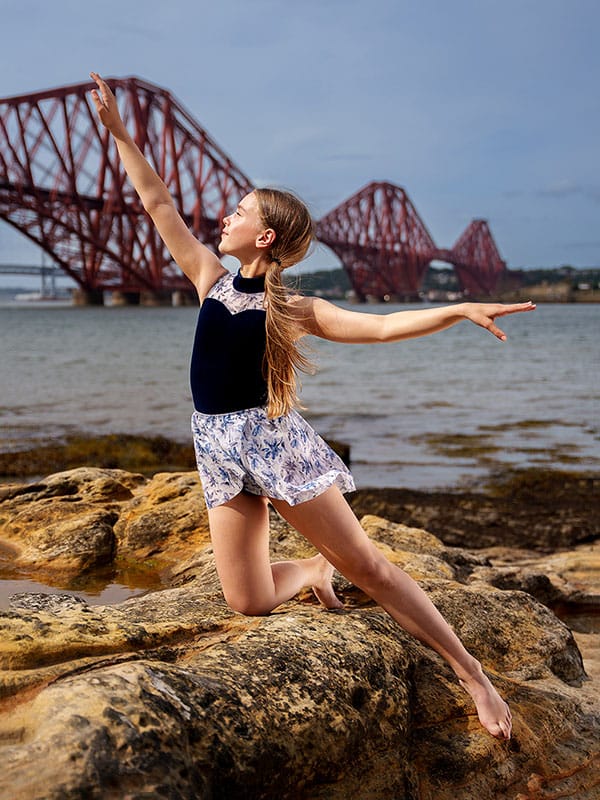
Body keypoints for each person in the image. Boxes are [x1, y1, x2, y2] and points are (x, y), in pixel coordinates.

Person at [91, 72, 535, 740]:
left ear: (266, 237)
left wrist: (458, 309)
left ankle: (472, 674)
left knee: (369, 567)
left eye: (240, 212)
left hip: (275, 447)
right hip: (216, 448)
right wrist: (123, 136)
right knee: (247, 601)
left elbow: (382, 328)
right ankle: (308, 569)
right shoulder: (210, 280)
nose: (225, 218)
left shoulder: (296, 309)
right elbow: (157, 204)